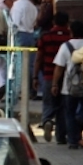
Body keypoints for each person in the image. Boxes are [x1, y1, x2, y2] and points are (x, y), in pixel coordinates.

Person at [33, 11, 71, 144]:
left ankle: (47, 121)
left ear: (54, 23)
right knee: (62, 108)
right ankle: (61, 137)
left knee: (49, 103)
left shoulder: (45, 37)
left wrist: (35, 76)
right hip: (66, 78)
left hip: (48, 75)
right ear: (67, 23)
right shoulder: (69, 37)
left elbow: (39, 58)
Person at [52, 20, 83, 149]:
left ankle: (73, 140)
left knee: (69, 113)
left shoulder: (65, 46)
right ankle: (81, 124)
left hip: (69, 87)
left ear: (71, 32)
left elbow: (59, 67)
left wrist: (55, 84)